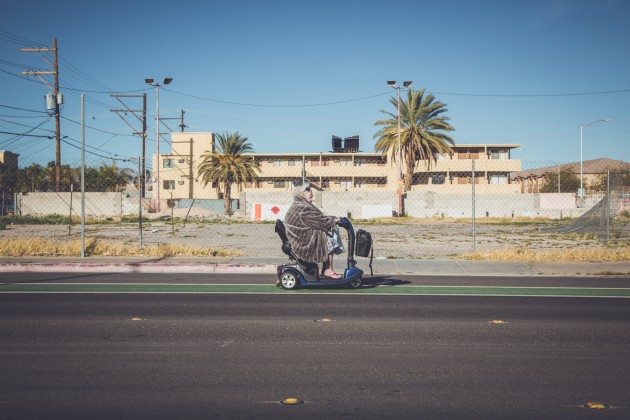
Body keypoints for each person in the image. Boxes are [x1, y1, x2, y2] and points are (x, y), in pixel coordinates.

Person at [283, 181, 344, 279]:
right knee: (330, 233)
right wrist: (334, 220)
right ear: (301, 194)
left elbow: (316, 219)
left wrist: (333, 219)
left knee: (330, 230)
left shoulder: (299, 205)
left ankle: (327, 268)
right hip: (303, 243)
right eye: (310, 197)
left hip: (301, 237)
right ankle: (328, 269)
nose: (312, 199)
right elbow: (320, 221)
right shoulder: (303, 208)